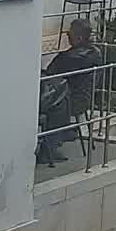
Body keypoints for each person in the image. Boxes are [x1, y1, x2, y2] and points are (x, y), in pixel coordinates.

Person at [38, 20, 100, 165]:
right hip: (85, 98)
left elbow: (50, 73)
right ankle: (57, 140)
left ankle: (49, 148)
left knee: (48, 103)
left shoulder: (68, 58)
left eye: (69, 33)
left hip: (71, 100)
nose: (67, 35)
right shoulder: (96, 53)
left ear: (78, 38)